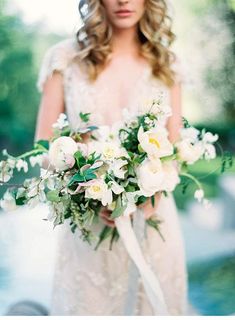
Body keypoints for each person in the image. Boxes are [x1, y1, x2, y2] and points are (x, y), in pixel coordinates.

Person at [35, 0, 188, 315]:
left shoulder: (166, 63)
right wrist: (91, 188)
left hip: (152, 220)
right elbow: (44, 147)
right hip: (89, 227)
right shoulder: (65, 59)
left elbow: (173, 152)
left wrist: (147, 192)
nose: (123, 1)